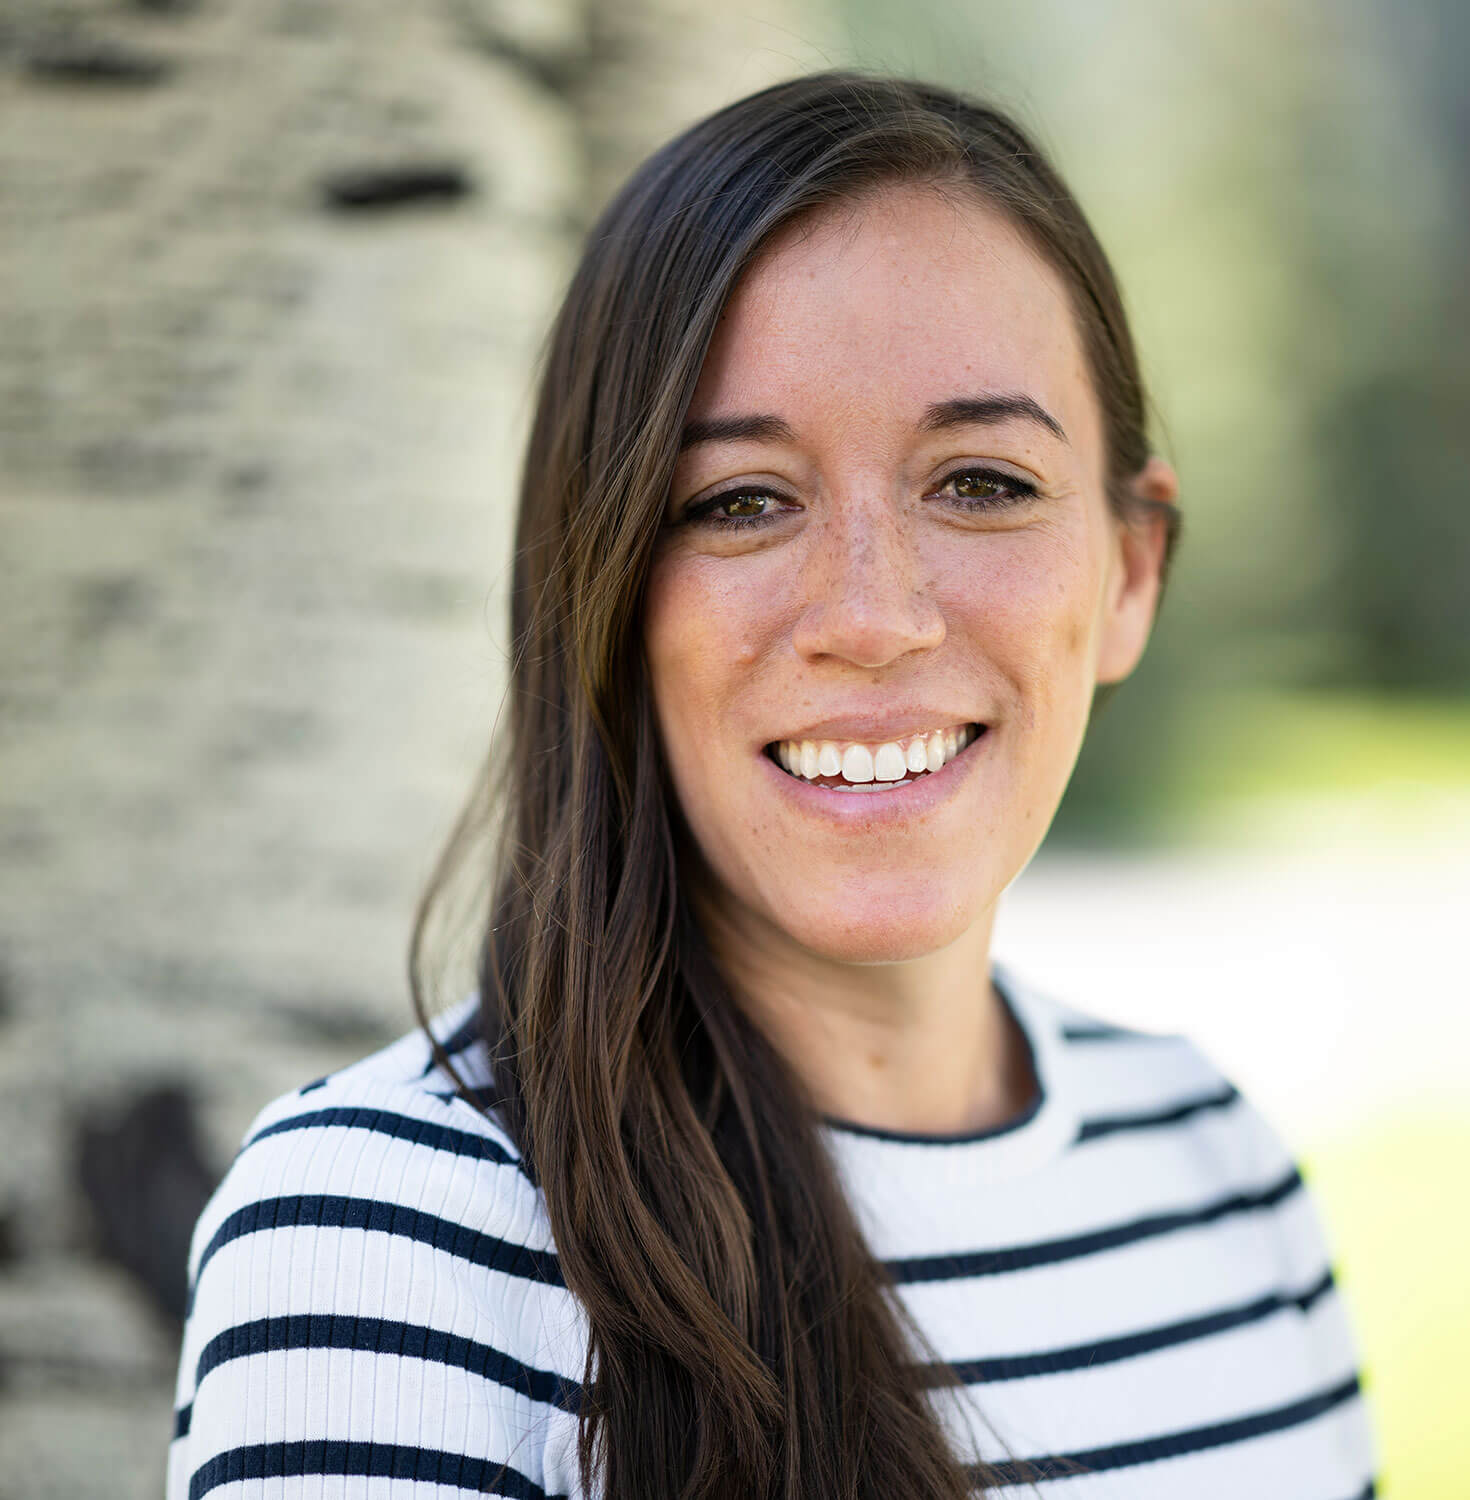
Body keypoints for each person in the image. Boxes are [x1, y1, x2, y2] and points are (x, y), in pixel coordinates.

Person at [167, 70, 1378, 1500]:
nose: (871, 617)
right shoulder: (385, 1239)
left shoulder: (1220, 1175)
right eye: (739, 502)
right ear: (606, 595)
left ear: (1131, 572)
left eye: (982, 482)